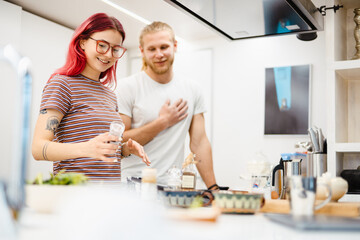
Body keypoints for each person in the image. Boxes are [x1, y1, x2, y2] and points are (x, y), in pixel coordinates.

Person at [32, 13, 150, 182]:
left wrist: (124, 150)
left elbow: (99, 151)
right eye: (102, 45)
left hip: (108, 193)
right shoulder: (62, 84)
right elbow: (38, 148)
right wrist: (86, 148)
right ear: (82, 42)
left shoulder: (110, 96)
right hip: (75, 195)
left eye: (115, 49)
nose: (108, 55)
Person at [117, 21, 219, 190]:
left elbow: (199, 143)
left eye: (164, 47)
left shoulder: (192, 89)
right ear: (142, 51)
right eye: (152, 49)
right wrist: (161, 123)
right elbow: (120, 142)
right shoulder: (127, 87)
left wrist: (213, 187)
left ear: (175, 46)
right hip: (131, 186)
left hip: (171, 186)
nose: (159, 54)